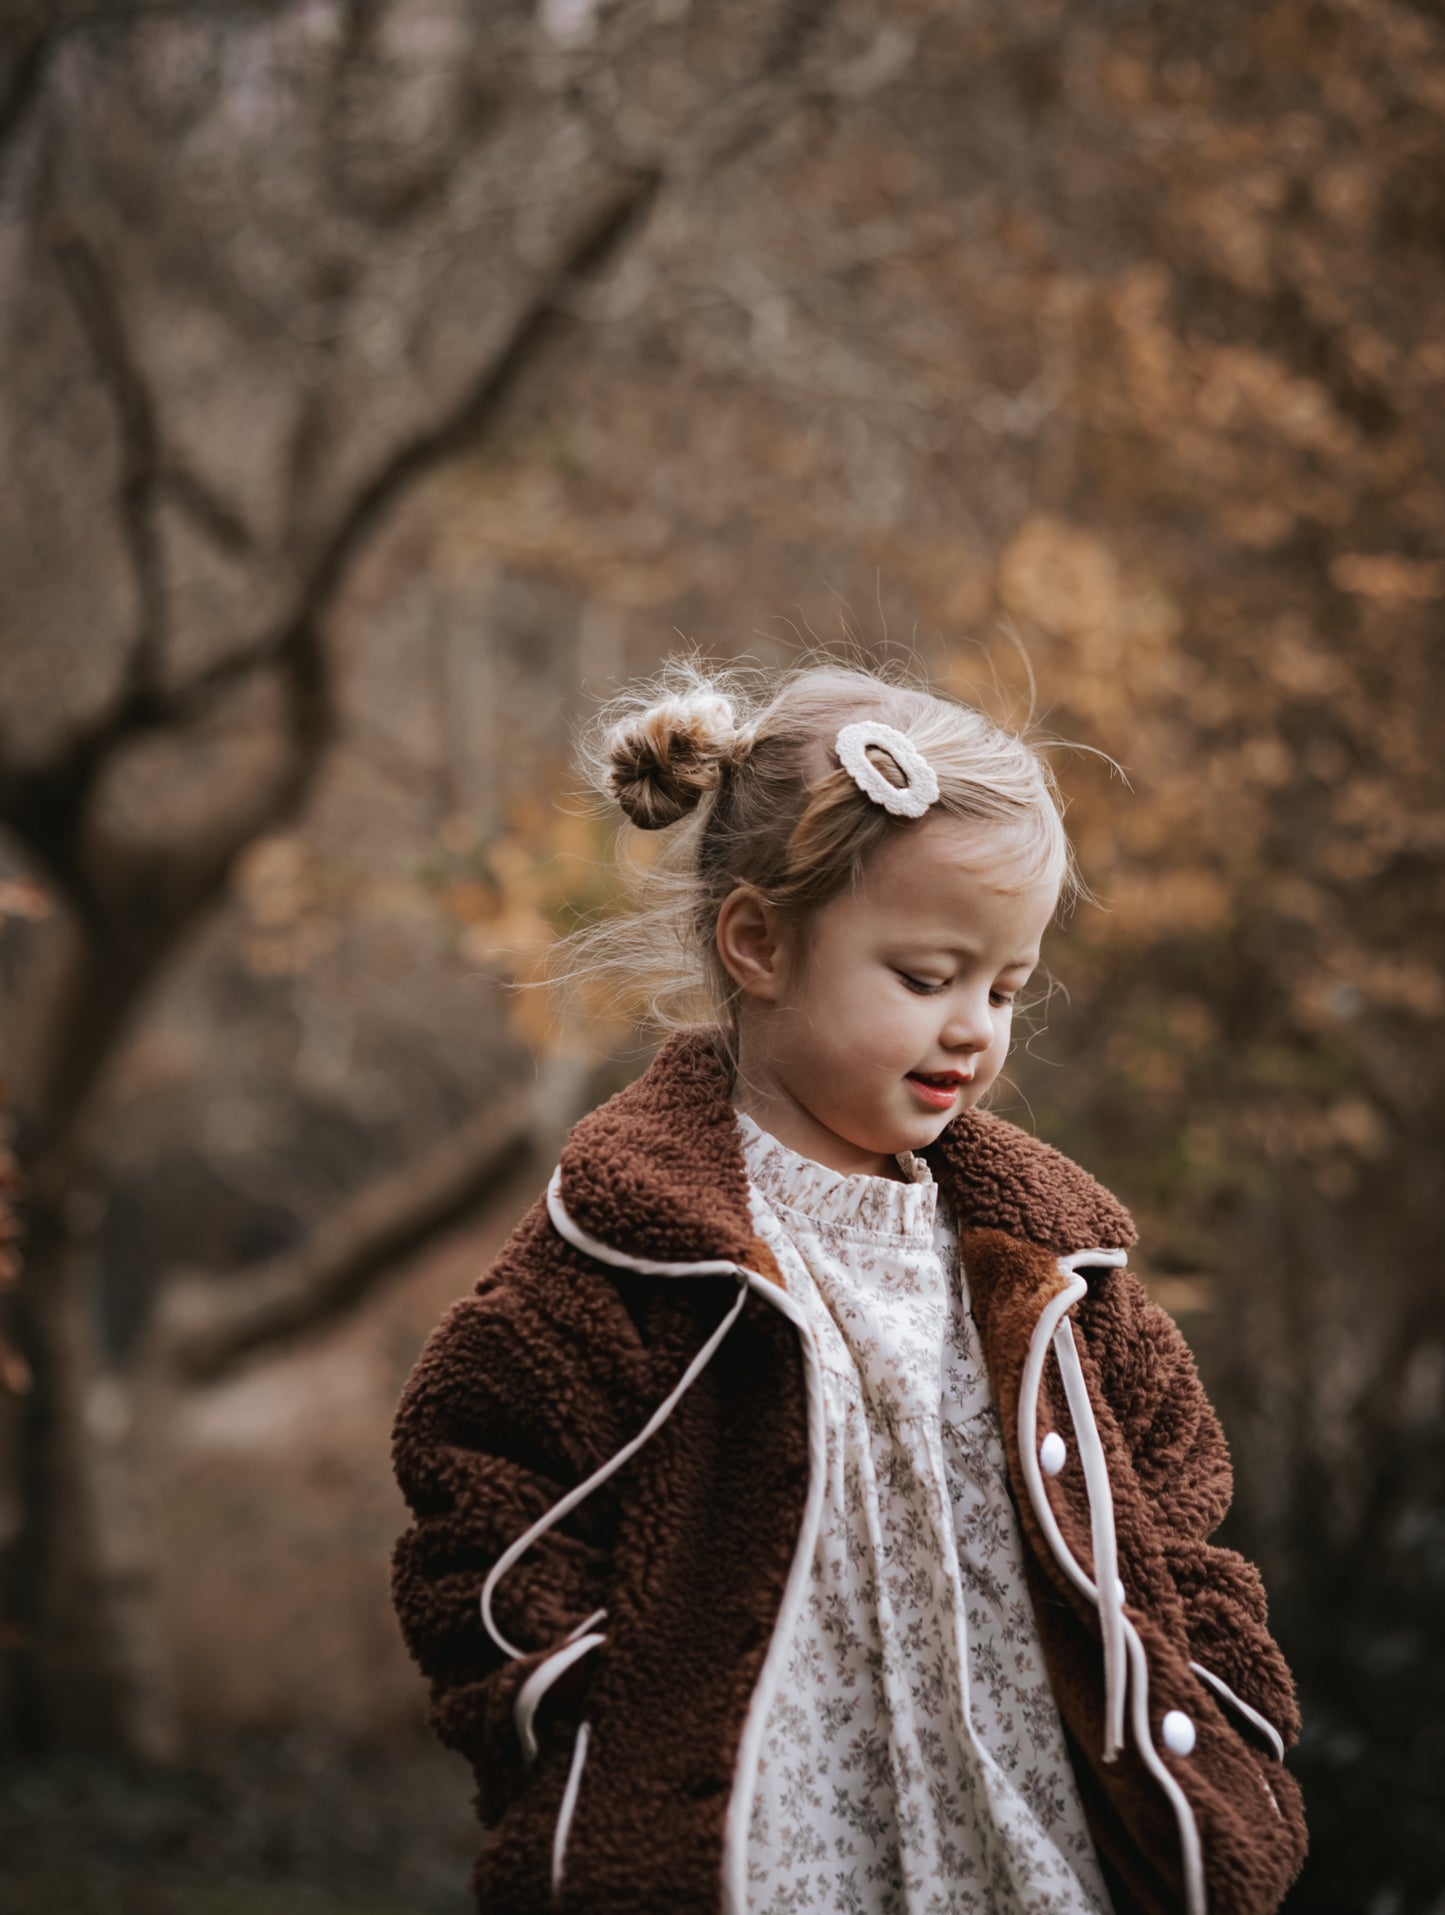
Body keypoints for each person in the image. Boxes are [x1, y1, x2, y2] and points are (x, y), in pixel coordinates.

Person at [389, 657, 1308, 1915]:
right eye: (925, 978)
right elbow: (476, 1500)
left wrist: (1221, 1709)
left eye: (1003, 988)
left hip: (1039, 1864)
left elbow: (1177, 1509)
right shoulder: (631, 1249)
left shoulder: (1052, 1266)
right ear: (758, 942)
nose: (973, 1029)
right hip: (759, 1870)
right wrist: (579, 1731)